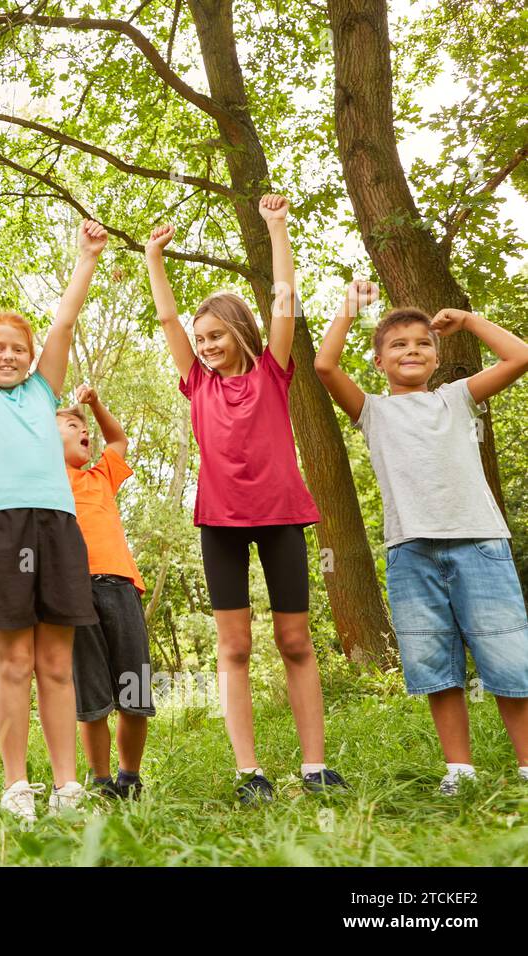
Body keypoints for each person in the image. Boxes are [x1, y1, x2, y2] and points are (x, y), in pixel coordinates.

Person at [144, 194, 346, 804]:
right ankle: (248, 772)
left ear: (237, 332)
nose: (204, 344)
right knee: (233, 645)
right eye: (199, 337)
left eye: (214, 335)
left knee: (294, 641)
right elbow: (169, 322)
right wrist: (156, 259)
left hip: (282, 516)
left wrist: (277, 228)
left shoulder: (272, 371)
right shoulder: (196, 381)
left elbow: (284, 300)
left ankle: (315, 767)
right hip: (220, 524)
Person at [315, 282, 528, 795]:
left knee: (509, 659)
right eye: (398, 345)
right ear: (379, 361)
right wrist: (348, 309)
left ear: (436, 356)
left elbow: (521, 357)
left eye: (422, 343)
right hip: (411, 553)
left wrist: (470, 321)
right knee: (437, 666)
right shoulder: (372, 411)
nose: (412, 350)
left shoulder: (456, 397)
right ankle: (460, 770)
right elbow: (324, 367)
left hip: (478, 542)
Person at [0, 217, 106, 823]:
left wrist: (84, 257)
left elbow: (63, 321)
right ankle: (16, 785)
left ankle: (65, 785)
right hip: (0, 527)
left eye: (17, 348)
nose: (7, 355)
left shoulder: (42, 391)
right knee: (12, 661)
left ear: (31, 359)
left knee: (56, 662)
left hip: (57, 526)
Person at [57, 385, 154, 799]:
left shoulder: (100, 475)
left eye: (84, 427)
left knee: (134, 691)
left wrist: (93, 405)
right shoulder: (43, 481)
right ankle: (101, 783)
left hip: (121, 588)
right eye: (71, 424)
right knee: (92, 699)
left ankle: (129, 779)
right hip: (75, 595)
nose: (85, 432)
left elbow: (118, 440)